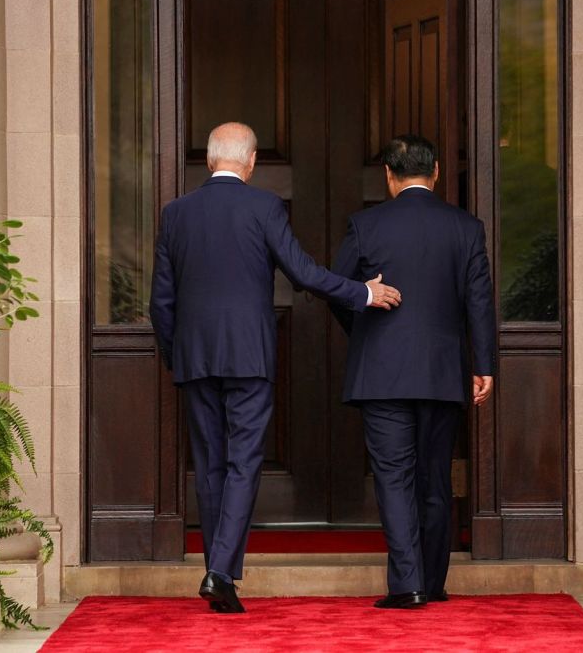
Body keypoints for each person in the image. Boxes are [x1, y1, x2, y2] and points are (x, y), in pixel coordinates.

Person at [149, 122, 402, 613]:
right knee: (244, 461)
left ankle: (216, 570)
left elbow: (161, 300)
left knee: (209, 463)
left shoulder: (175, 213)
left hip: (195, 358)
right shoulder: (263, 206)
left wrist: (174, 354)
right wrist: (363, 292)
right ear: (250, 161)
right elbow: (303, 272)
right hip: (248, 356)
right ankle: (220, 571)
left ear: (209, 159)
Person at [330, 134, 497, 609]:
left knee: (394, 476)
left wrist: (365, 328)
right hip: (444, 373)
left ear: (388, 174)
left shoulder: (366, 224)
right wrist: (482, 364)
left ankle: (408, 585)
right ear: (437, 171)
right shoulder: (466, 227)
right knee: (435, 477)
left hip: (381, 373)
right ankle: (435, 580)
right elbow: (478, 303)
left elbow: (337, 289)